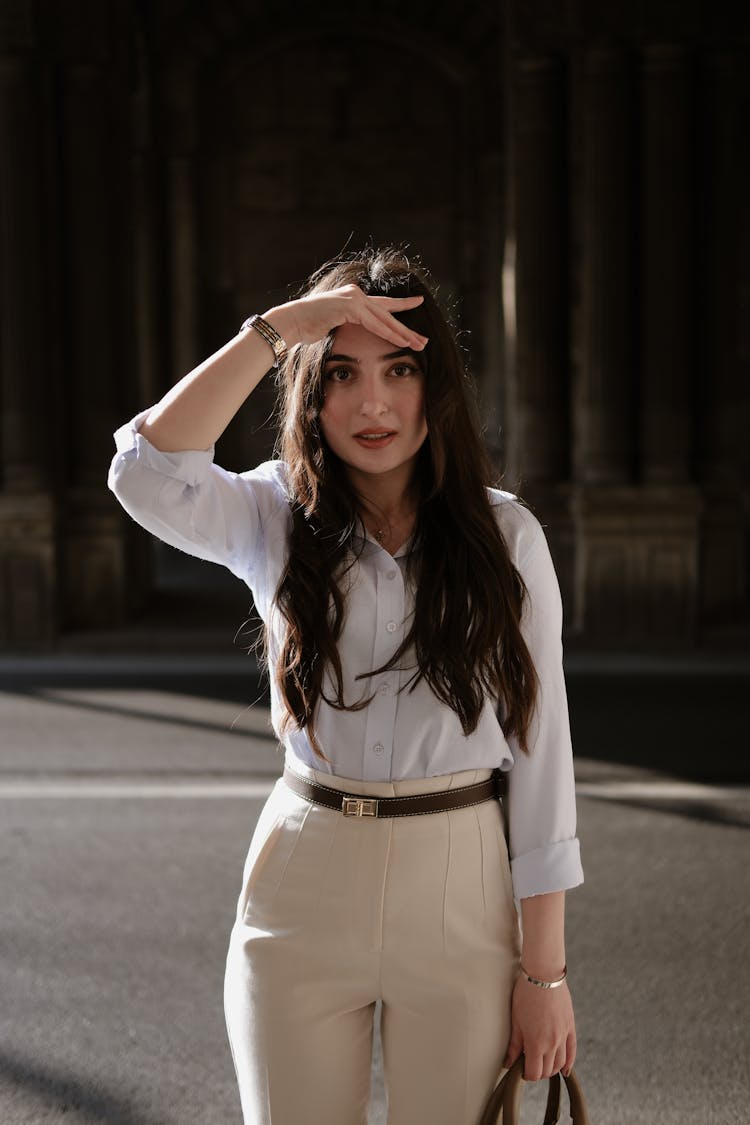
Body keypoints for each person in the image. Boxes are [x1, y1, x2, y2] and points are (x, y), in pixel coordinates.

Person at [107, 245, 583, 1125]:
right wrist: (282, 329)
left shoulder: (508, 538)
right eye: (342, 374)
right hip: (304, 866)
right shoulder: (273, 517)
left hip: (460, 877)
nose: (372, 404)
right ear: (310, 392)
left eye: (399, 370)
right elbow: (145, 469)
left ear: (432, 387)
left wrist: (544, 974)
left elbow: (542, 755)